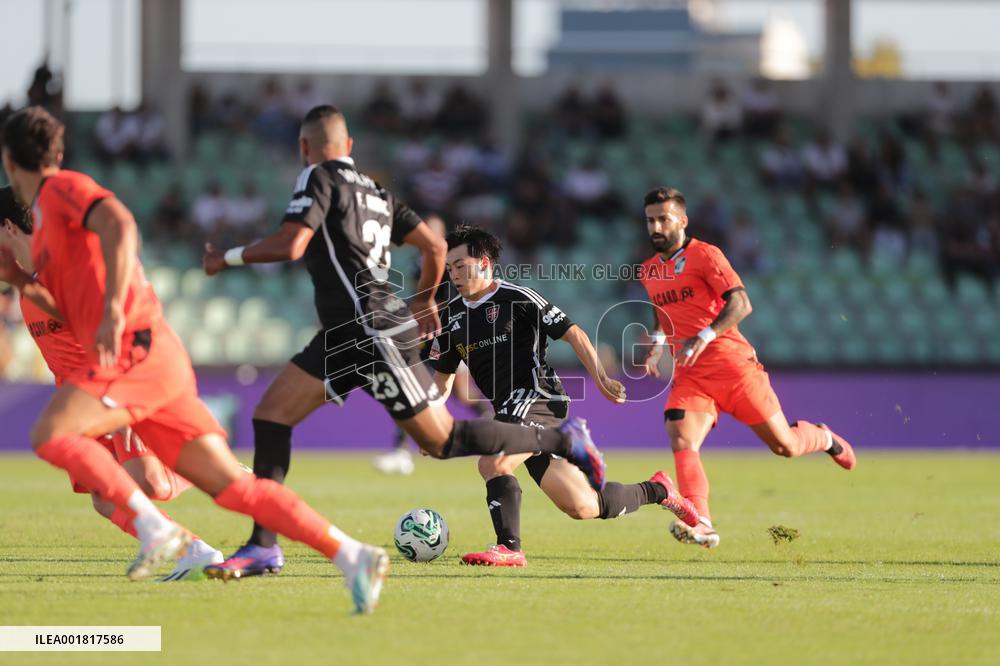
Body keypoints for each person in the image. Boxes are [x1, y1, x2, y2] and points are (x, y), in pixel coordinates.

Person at [1, 106, 389, 613]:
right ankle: (351, 554)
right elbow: (74, 300)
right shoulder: (47, 240)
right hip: (150, 358)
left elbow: (119, 221)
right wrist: (21, 278)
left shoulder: (60, 190)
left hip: (133, 356)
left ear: (11, 161)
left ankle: (160, 533)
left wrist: (114, 310)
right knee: (231, 488)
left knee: (54, 436)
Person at [201, 105, 607, 579]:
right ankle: (262, 546)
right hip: (346, 333)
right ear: (350, 146)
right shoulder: (377, 192)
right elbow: (435, 246)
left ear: (305, 148)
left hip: (369, 327)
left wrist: (225, 259)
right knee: (270, 415)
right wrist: (425, 301)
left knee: (442, 441)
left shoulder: (317, 179)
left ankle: (563, 438)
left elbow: (292, 244)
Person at [432, 225, 698, 566]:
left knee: (493, 462)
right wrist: (430, 423)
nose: (453, 274)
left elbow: (573, 333)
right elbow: (443, 379)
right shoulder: (451, 316)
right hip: (509, 411)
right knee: (583, 505)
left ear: (484, 263)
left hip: (538, 398)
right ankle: (659, 490)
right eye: (449, 267)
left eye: (459, 265)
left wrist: (601, 379)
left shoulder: (517, 297)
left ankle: (509, 549)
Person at [1, 185, 222, 580]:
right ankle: (195, 551)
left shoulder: (63, 267)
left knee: (150, 484)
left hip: (108, 386)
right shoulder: (26, 279)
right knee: (106, 499)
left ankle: (225, 471)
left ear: (7, 227)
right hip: (77, 400)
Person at [638, 187, 856, 549]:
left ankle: (824, 437)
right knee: (681, 437)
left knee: (784, 446)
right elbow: (661, 309)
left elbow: (741, 304)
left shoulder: (706, 255)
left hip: (733, 366)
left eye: (663, 218)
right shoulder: (648, 270)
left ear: (682, 220)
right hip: (691, 373)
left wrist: (703, 337)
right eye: (650, 220)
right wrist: (658, 344)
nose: (656, 226)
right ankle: (702, 522)